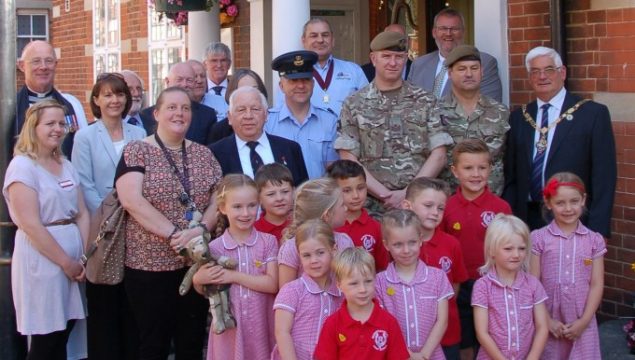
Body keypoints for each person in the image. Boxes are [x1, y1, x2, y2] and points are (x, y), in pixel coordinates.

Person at [116, 87, 222, 359]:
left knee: (191, 341)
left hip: (195, 266)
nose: (179, 113)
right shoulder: (137, 151)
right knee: (154, 344)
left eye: (185, 108)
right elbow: (131, 200)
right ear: (157, 113)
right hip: (149, 267)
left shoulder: (204, 154)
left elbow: (218, 200)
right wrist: (176, 235)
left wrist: (200, 229)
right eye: (172, 107)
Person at [3, 100, 89, 359]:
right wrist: (66, 262)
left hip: (73, 260)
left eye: (62, 123)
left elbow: (82, 212)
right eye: (50, 123)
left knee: (64, 332)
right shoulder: (23, 167)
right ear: (33, 127)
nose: (58, 129)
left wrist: (82, 257)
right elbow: (30, 223)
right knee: (46, 339)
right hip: (42, 261)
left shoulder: (65, 163)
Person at [502, 46, 616, 238]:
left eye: (548, 70)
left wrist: (597, 231)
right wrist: (511, 220)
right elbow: (512, 176)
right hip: (526, 221)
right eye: (535, 72)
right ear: (529, 77)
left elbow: (604, 177)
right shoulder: (519, 118)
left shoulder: (591, 114)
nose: (542, 76)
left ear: (562, 72)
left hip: (573, 218)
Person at [335, 30, 452, 215]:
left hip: (419, 206)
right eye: (386, 56)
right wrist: (386, 195)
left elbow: (439, 155)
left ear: (406, 58)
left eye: (399, 57)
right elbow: (348, 156)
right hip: (372, 207)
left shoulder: (426, 101)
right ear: (373, 59)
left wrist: (408, 193)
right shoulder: (354, 103)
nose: (392, 62)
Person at [71, 73, 145, 359]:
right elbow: (84, 183)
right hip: (103, 229)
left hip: (137, 226)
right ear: (96, 100)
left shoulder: (139, 134)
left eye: (119, 94)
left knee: (132, 306)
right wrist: (112, 214)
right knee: (104, 309)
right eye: (107, 95)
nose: (114, 100)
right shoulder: (85, 136)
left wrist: (134, 208)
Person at [193, 174, 279, 360]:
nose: (246, 213)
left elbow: (272, 284)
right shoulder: (215, 248)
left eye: (251, 205)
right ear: (223, 208)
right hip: (231, 330)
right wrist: (197, 280)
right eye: (237, 207)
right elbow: (205, 288)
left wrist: (233, 276)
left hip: (261, 326)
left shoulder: (268, 242)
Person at [440, 139, 511, 360]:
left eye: (482, 167)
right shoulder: (446, 207)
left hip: (492, 284)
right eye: (468, 168)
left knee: (493, 338)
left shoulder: (501, 207)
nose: (476, 174)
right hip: (460, 286)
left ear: (491, 169)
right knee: (466, 343)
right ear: (455, 171)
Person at [529, 172, 605, 359]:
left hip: (581, 319)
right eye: (560, 203)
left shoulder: (594, 240)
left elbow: (596, 283)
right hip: (548, 319)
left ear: (583, 200)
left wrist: (584, 321)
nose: (568, 208)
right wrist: (547, 320)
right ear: (548, 203)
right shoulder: (539, 238)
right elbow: (533, 282)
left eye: (574, 201)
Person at [402, 177, 468, 360]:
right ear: (407, 206)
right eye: (428, 205)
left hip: (446, 333)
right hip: (408, 336)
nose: (435, 213)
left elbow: (454, 286)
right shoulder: (400, 246)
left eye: (440, 208)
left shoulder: (451, 244)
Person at [430, 45, 509, 195]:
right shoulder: (434, 112)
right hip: (448, 204)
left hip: (491, 205)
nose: (468, 74)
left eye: (474, 68)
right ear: (450, 73)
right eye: (461, 69)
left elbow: (508, 160)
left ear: (482, 72)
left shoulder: (500, 112)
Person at [376, 209, 453, 360]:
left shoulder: (437, 277)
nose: (406, 250)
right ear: (386, 245)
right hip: (395, 355)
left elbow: (442, 321)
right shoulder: (379, 282)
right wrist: (408, 355)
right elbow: (383, 324)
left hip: (432, 354)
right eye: (398, 244)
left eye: (411, 242)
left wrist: (423, 355)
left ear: (420, 240)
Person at [472, 214, 549, 359]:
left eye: (521, 248)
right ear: (492, 250)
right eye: (508, 249)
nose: (516, 254)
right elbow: (482, 332)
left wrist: (532, 357)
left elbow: (542, 327)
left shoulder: (533, 284)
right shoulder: (482, 286)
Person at [313, 247, 410, 359]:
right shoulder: (333, 324)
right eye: (354, 283)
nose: (363, 289)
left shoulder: (389, 322)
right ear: (339, 285)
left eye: (368, 281)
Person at [272, 219, 343, 360]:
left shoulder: (341, 291)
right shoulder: (292, 291)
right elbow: (282, 332)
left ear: (333, 250)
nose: (314, 260)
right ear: (299, 255)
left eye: (320, 253)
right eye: (307, 255)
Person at [209, 86, 309, 185]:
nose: (248, 116)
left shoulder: (290, 149)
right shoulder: (214, 154)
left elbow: (302, 193)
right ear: (230, 117)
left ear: (266, 115)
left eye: (255, 109)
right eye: (241, 110)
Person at [267, 50, 340, 179]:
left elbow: (334, 170)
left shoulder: (329, 121)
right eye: (293, 80)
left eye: (306, 79)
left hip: (318, 196)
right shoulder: (267, 122)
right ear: (281, 86)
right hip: (280, 197)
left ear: (313, 84)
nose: (300, 85)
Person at [275, 18, 368, 115]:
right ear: (303, 41)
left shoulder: (354, 71)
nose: (320, 40)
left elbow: (368, 107)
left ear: (332, 40)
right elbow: (282, 111)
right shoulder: (291, 74)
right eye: (314, 36)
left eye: (325, 35)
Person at [408, 8, 502, 102]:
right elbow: (408, 104)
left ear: (463, 32)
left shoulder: (484, 63)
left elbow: (490, 106)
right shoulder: (418, 65)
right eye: (443, 28)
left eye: (454, 29)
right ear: (434, 33)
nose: (448, 34)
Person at [15, 40, 88, 157]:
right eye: (36, 61)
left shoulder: (72, 104)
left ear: (56, 64)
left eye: (49, 61)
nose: (43, 67)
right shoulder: (8, 109)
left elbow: (83, 148)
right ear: (22, 66)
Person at [277, 178, 354, 288]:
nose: (346, 208)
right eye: (342, 205)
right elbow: (285, 292)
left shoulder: (344, 242)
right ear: (327, 215)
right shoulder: (291, 248)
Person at [327, 159, 389, 271]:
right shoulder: (328, 226)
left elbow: (382, 270)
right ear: (332, 191)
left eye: (360, 188)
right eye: (346, 190)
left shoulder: (376, 227)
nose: (356, 195)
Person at [140, 62, 218, 145]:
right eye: (179, 80)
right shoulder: (147, 115)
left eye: (189, 80)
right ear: (167, 81)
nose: (185, 84)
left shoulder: (207, 115)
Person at [208, 68, 269, 143]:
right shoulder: (219, 131)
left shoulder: (273, 121)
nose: (249, 94)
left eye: (254, 89)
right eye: (243, 90)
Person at [254, 163, 295, 242]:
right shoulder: (254, 231)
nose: (279, 198)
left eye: (285, 191)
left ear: (293, 191)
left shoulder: (302, 224)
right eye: (271, 194)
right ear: (259, 198)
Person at [203, 42, 232, 118]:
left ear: (229, 64)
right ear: (205, 64)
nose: (219, 65)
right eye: (214, 61)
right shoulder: (198, 92)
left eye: (223, 60)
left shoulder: (237, 89)